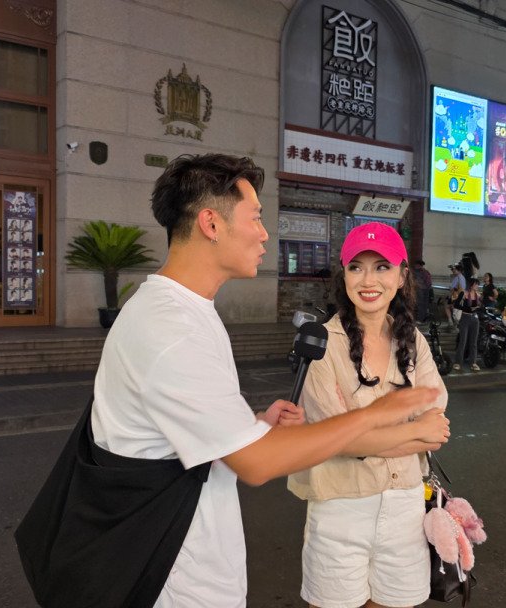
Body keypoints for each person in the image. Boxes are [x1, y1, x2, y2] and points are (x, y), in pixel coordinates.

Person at [88, 154, 440, 607]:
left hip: (183, 557)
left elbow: (196, 433)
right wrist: (381, 416)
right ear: (212, 224)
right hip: (170, 572)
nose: (264, 233)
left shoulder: (187, 313)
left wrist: (251, 423)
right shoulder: (171, 329)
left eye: (383, 267)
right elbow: (256, 464)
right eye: (254, 218)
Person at [287, 221, 451, 608]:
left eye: (382, 266)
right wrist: (409, 433)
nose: (368, 279)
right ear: (342, 274)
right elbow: (339, 439)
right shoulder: (320, 343)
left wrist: (363, 435)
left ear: (401, 276)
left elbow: (436, 428)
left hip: (406, 505)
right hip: (341, 506)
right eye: (356, 266)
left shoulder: (414, 340)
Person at [452, 277, 482, 373]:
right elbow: (456, 305)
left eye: (478, 284)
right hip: (465, 317)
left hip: (475, 319)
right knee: (463, 341)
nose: (477, 286)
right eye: (476, 284)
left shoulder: (478, 295)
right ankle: (458, 362)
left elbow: (481, 306)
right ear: (471, 285)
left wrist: (477, 308)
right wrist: (468, 307)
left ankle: (473, 362)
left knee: (473, 342)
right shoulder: (464, 293)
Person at [443, 262, 466, 330]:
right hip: (461, 296)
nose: (452, 271)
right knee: (454, 309)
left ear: (458, 270)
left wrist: (449, 296)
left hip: (456, 296)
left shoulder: (457, 278)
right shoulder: (462, 277)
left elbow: (452, 288)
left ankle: (451, 322)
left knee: (449, 307)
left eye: (454, 269)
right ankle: (454, 323)